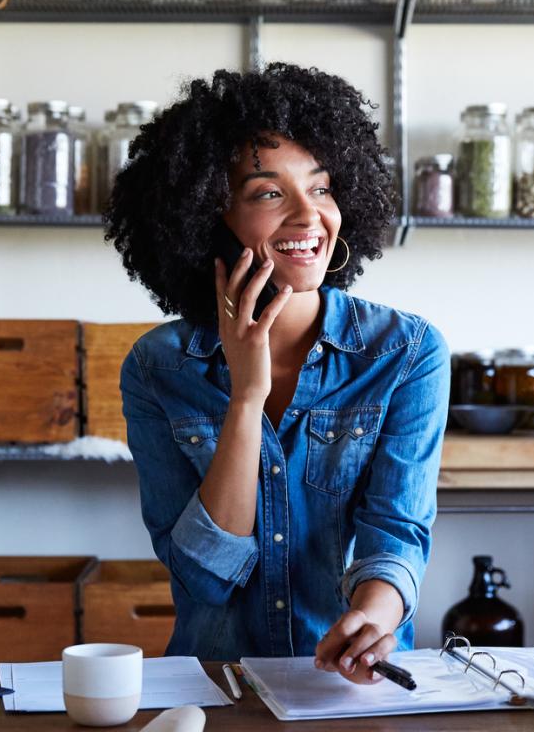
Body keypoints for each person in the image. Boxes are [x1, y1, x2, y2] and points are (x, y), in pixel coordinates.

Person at [106, 63, 450, 685]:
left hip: (349, 688)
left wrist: (375, 616)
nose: (307, 216)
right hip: (213, 688)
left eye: (320, 188)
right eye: (268, 193)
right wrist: (246, 397)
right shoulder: (158, 367)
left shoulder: (406, 353)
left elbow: (396, 533)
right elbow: (205, 577)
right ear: (213, 214)